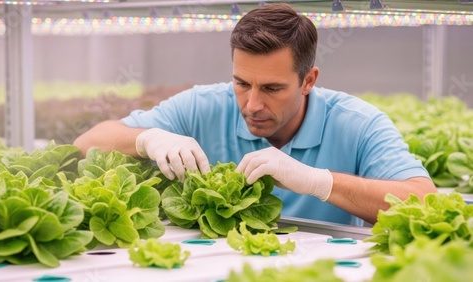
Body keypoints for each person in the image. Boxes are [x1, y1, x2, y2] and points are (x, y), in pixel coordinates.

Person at [73, 3, 436, 226]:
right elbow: (89, 141)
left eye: (272, 88)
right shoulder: (204, 105)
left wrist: (319, 182)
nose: (252, 104)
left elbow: (424, 201)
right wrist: (146, 138)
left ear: (308, 80)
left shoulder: (357, 122)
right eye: (242, 82)